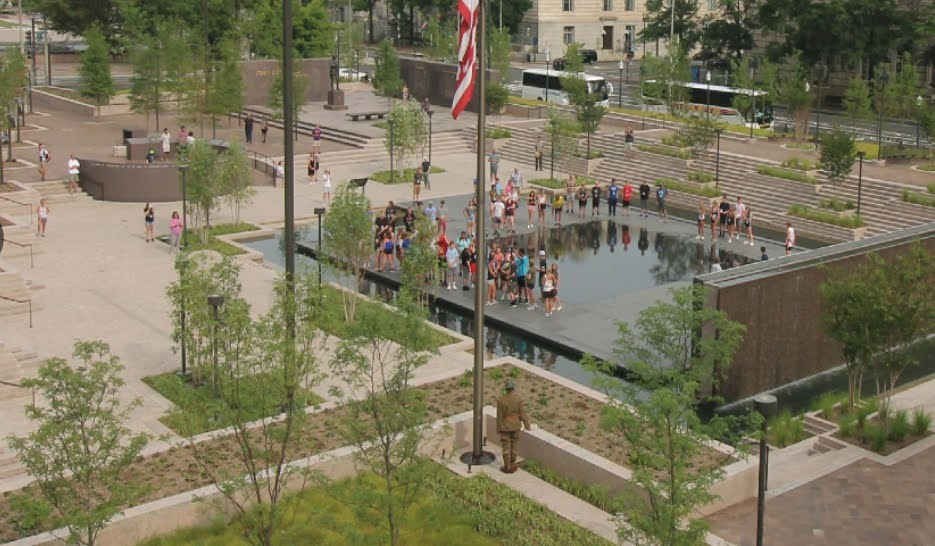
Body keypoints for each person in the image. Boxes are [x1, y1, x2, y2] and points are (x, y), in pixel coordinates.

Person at [497, 379, 530, 473]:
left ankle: (506, 466)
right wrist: (527, 425)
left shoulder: (500, 401)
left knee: (506, 447)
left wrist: (498, 428)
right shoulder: (518, 399)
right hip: (516, 425)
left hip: (505, 426)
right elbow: (522, 413)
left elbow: (499, 416)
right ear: (513, 388)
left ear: (506, 389)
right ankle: (512, 463)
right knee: (515, 445)